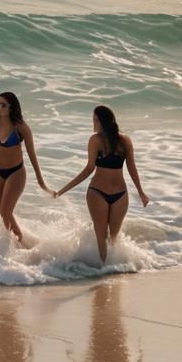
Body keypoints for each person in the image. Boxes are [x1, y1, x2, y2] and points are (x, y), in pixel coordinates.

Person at [55, 105, 150, 263]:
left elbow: (131, 167)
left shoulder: (125, 140)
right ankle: (103, 269)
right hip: (97, 193)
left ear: (101, 121)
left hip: (120, 194)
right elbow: (89, 169)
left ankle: (111, 268)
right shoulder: (95, 140)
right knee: (101, 236)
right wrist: (63, 190)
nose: (92, 122)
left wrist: (141, 192)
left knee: (113, 237)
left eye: (94, 119)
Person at [0, 91, 52, 243]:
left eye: (3, 105)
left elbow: (31, 154)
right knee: (3, 215)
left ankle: (19, 242)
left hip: (15, 173)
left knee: (5, 212)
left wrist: (40, 180)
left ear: (11, 107)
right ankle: (16, 245)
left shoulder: (21, 127)